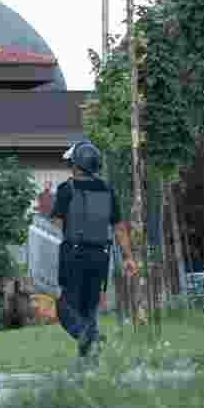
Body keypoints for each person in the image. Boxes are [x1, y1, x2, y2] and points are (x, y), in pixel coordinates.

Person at [50, 141, 137, 365]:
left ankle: (90, 338)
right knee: (89, 309)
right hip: (101, 256)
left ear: (77, 165)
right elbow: (118, 227)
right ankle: (90, 364)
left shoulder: (66, 190)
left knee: (66, 308)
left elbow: (56, 226)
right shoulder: (108, 190)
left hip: (74, 255)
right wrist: (128, 257)